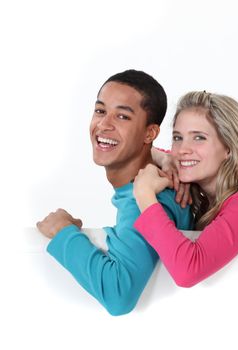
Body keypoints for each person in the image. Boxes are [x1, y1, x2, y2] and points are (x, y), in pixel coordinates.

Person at [36, 69, 192, 315]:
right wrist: (164, 156)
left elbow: (119, 294)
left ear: (150, 133)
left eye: (122, 116)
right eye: (100, 111)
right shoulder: (159, 180)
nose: (104, 124)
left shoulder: (144, 202)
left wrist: (63, 232)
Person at [132, 91, 238, 287]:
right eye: (178, 138)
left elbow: (188, 270)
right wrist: (166, 158)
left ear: (229, 147)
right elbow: (138, 148)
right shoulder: (208, 197)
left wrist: (145, 196)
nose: (182, 150)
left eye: (198, 138)